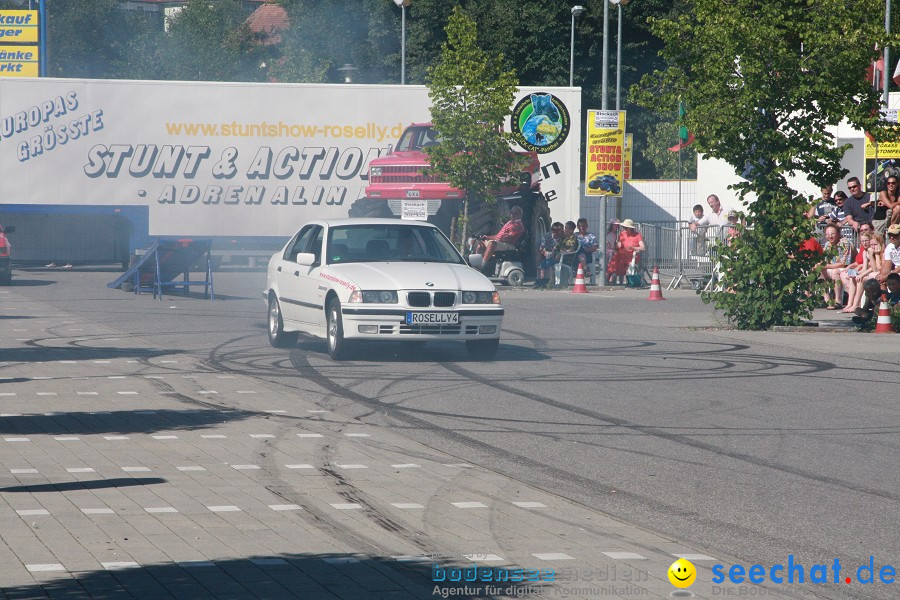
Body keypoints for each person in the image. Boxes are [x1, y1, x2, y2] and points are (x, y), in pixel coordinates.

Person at [472, 205, 525, 270]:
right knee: (480, 243)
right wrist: (487, 237)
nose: (512, 215)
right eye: (511, 213)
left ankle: (481, 266)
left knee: (492, 244)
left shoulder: (517, 225)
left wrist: (496, 239)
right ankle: (476, 264)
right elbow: (498, 236)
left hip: (510, 245)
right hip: (502, 242)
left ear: (520, 215)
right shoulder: (510, 222)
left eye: (515, 213)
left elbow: (506, 239)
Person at [820, 223, 852, 309]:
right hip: (833, 267)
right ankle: (827, 301)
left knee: (835, 271)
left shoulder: (844, 242)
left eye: (832, 234)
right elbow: (825, 260)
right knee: (819, 270)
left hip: (849, 268)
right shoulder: (827, 245)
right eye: (827, 234)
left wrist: (825, 266)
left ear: (838, 234)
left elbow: (844, 263)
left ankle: (838, 300)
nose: (830, 236)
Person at [838, 231, 872, 314]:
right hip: (866, 271)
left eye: (866, 240)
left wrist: (861, 274)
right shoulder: (865, 251)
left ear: (870, 240)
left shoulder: (871, 250)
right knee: (852, 277)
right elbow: (864, 267)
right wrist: (856, 272)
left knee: (860, 279)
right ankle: (850, 303)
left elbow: (872, 267)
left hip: (872, 272)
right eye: (862, 241)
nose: (864, 243)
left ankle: (856, 304)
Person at [606, 218, 646, 285]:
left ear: (630, 228)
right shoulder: (622, 234)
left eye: (626, 227)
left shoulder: (637, 235)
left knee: (618, 260)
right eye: (624, 227)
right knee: (614, 261)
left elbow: (643, 248)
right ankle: (607, 279)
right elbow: (618, 244)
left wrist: (633, 247)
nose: (624, 228)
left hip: (631, 255)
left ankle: (615, 279)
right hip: (621, 254)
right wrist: (618, 244)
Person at [533, 222, 563, 288]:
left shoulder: (562, 238)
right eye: (559, 230)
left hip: (557, 255)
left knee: (546, 262)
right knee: (539, 257)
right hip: (547, 253)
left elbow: (561, 250)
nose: (561, 232)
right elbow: (541, 247)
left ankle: (543, 280)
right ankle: (539, 279)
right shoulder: (547, 236)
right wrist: (544, 252)